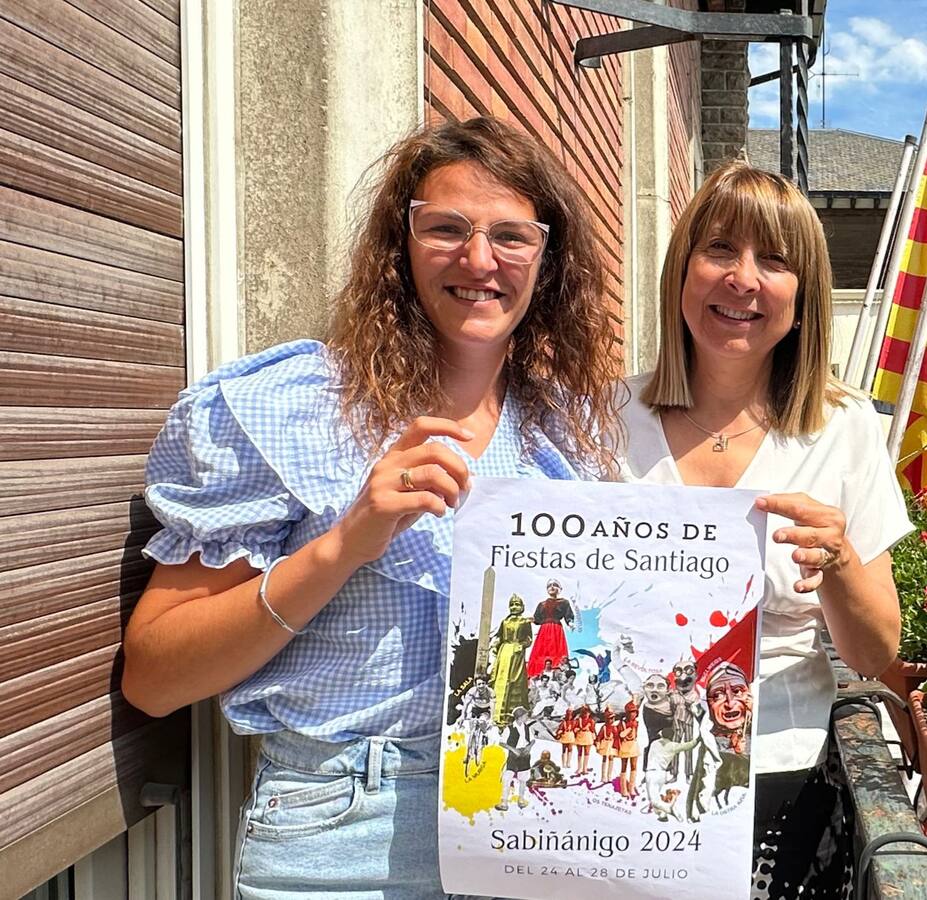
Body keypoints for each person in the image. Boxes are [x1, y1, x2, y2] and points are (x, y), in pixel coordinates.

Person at [119, 116, 622, 899]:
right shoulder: (293, 410)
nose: (479, 260)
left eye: (511, 236)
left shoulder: (568, 435)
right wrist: (346, 542)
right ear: (400, 244)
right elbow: (154, 677)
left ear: (547, 261)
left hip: (536, 817)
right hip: (343, 831)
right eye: (446, 228)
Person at [616, 161, 910, 899]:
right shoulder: (602, 419)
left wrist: (838, 560)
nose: (742, 278)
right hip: (625, 768)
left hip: (782, 774)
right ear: (681, 272)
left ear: (803, 297)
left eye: (773, 260)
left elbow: (874, 653)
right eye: (719, 249)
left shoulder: (844, 428)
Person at [491, 594, 533, 726]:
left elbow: (529, 639)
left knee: (514, 680)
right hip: (504, 652)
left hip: (516, 654)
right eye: (512, 605)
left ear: (522, 607)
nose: (514, 607)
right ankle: (496, 714)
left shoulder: (525, 622)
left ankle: (512, 715)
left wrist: (521, 645)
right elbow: (500, 636)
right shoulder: (505, 621)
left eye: (517, 604)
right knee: (500, 679)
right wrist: (496, 644)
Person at [527, 578, 574, 676]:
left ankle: (557, 674)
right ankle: (537, 674)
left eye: (555, 585)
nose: (552, 587)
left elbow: (568, 615)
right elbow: (537, 619)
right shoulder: (542, 604)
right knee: (541, 652)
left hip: (556, 630)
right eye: (549, 586)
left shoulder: (564, 602)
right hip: (544, 631)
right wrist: (532, 620)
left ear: (559, 589)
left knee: (556, 652)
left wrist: (570, 622)